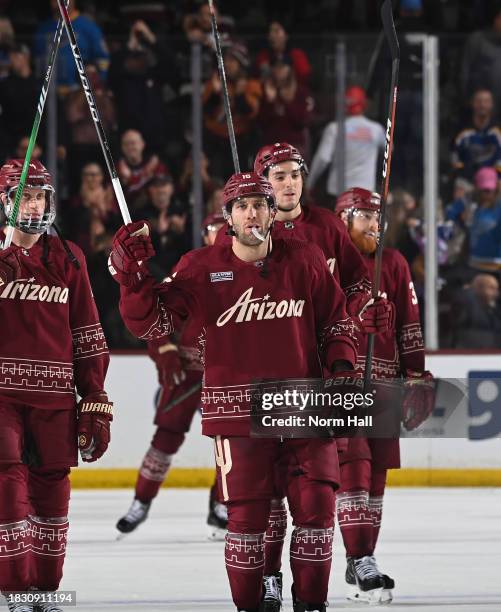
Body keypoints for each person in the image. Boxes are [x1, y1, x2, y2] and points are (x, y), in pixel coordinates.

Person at [109, 171, 359, 612]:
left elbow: (335, 319)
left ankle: (310, 606)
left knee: (318, 511)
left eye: (259, 204)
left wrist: (341, 364)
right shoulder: (199, 267)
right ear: (228, 216)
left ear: (271, 211)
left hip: (303, 406)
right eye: (241, 206)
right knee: (246, 522)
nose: (251, 213)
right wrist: (132, 279)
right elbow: (150, 323)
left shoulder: (305, 257)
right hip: (238, 413)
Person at [215, 143, 393, 611]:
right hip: (270, 384)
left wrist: (366, 307)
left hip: (326, 379)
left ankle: (358, 556)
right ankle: (270, 577)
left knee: (335, 476)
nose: (289, 183)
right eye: (278, 177)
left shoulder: (328, 228)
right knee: (270, 493)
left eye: (295, 174)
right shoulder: (237, 237)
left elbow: (354, 286)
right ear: (260, 187)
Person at [0, 160, 113, 612]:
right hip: (2, 395)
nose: (33, 204)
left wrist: (95, 398)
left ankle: (46, 592)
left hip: (54, 396)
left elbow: (86, 331)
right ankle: (11, 591)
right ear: (5, 202)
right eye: (24, 195)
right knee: (7, 483)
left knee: (52, 493)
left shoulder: (68, 257)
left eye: (40, 196)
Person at [335, 187, 433, 604]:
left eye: (378, 217)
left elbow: (408, 323)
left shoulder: (393, 263)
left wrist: (416, 373)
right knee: (353, 468)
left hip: (385, 384)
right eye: (364, 216)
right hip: (342, 385)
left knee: (376, 475)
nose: (375, 224)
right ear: (343, 221)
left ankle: (363, 557)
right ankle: (359, 556)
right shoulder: (329, 264)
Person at [115, 213, 228, 540]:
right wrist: (162, 349)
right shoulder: (193, 267)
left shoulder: (244, 270)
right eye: (212, 231)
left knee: (230, 443)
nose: (219, 236)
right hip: (187, 369)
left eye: (224, 231)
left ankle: (222, 505)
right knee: (166, 438)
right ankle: (141, 500)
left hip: (224, 372)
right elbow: (158, 310)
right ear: (204, 235)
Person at [307, 87, 386, 205]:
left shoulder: (334, 129)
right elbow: (389, 152)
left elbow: (322, 159)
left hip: (339, 192)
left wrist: (309, 184)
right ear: (364, 104)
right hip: (365, 191)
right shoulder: (376, 130)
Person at [451, 89, 501, 183]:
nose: (482, 105)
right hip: (469, 180)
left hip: (493, 181)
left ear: (492, 105)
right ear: (472, 104)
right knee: (460, 187)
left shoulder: (498, 132)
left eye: (486, 101)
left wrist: (494, 177)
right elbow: (456, 161)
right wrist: (466, 176)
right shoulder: (462, 132)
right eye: (479, 101)